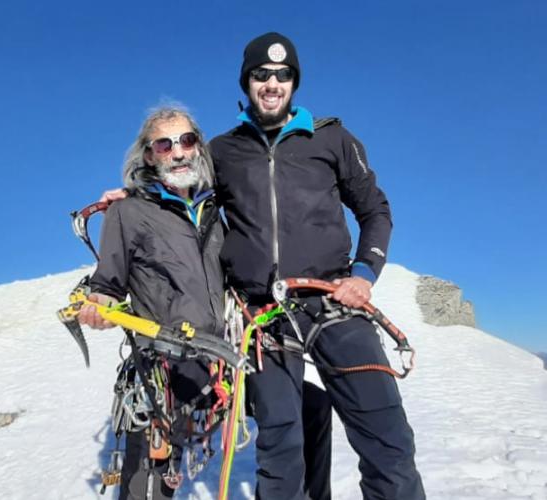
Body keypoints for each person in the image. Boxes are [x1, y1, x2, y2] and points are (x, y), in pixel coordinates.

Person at [102, 32, 426, 499]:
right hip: (265, 316)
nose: (271, 83)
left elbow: (375, 210)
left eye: (282, 74)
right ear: (247, 81)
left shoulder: (331, 137)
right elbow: (180, 176)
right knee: (280, 444)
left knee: (386, 435)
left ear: (294, 82)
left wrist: (364, 273)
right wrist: (135, 195)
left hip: (335, 301)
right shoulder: (224, 151)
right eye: (261, 74)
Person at [77, 104, 226, 500]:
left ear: (198, 149)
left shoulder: (216, 212)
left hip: (218, 364)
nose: (177, 152)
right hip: (161, 369)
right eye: (164, 145)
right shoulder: (127, 213)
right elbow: (108, 283)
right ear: (148, 155)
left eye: (186, 141)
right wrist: (99, 307)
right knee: (150, 486)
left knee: (305, 410)